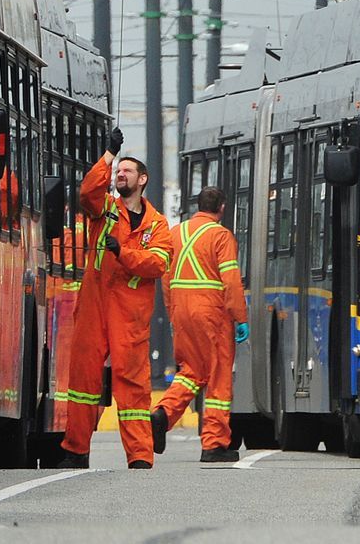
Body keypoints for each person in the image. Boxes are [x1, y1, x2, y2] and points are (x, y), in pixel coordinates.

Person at [58, 127, 174, 469]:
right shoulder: (105, 209)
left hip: (130, 315)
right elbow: (87, 192)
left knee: (134, 385)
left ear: (143, 180)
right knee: (82, 380)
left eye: (126, 171)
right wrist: (108, 154)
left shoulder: (157, 224)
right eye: (118, 171)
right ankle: (75, 450)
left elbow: (159, 262)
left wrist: (123, 253)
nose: (120, 174)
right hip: (95, 307)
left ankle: (140, 455)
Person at [151, 186, 248, 463]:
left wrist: (172, 313)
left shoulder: (175, 233)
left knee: (191, 371)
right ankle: (214, 444)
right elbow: (230, 280)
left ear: (198, 206)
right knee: (218, 376)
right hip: (212, 313)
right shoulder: (220, 235)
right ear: (222, 208)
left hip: (182, 311)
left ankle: (163, 414)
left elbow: (166, 278)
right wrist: (240, 317)